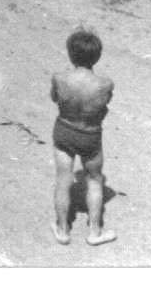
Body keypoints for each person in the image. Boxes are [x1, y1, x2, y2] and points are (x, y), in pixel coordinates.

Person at [49, 28, 116, 246]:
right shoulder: (105, 84)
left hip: (64, 130)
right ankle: (95, 232)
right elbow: (103, 107)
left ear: (70, 54)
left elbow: (54, 99)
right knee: (95, 180)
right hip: (90, 135)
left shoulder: (59, 78)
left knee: (62, 180)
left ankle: (62, 230)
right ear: (97, 56)